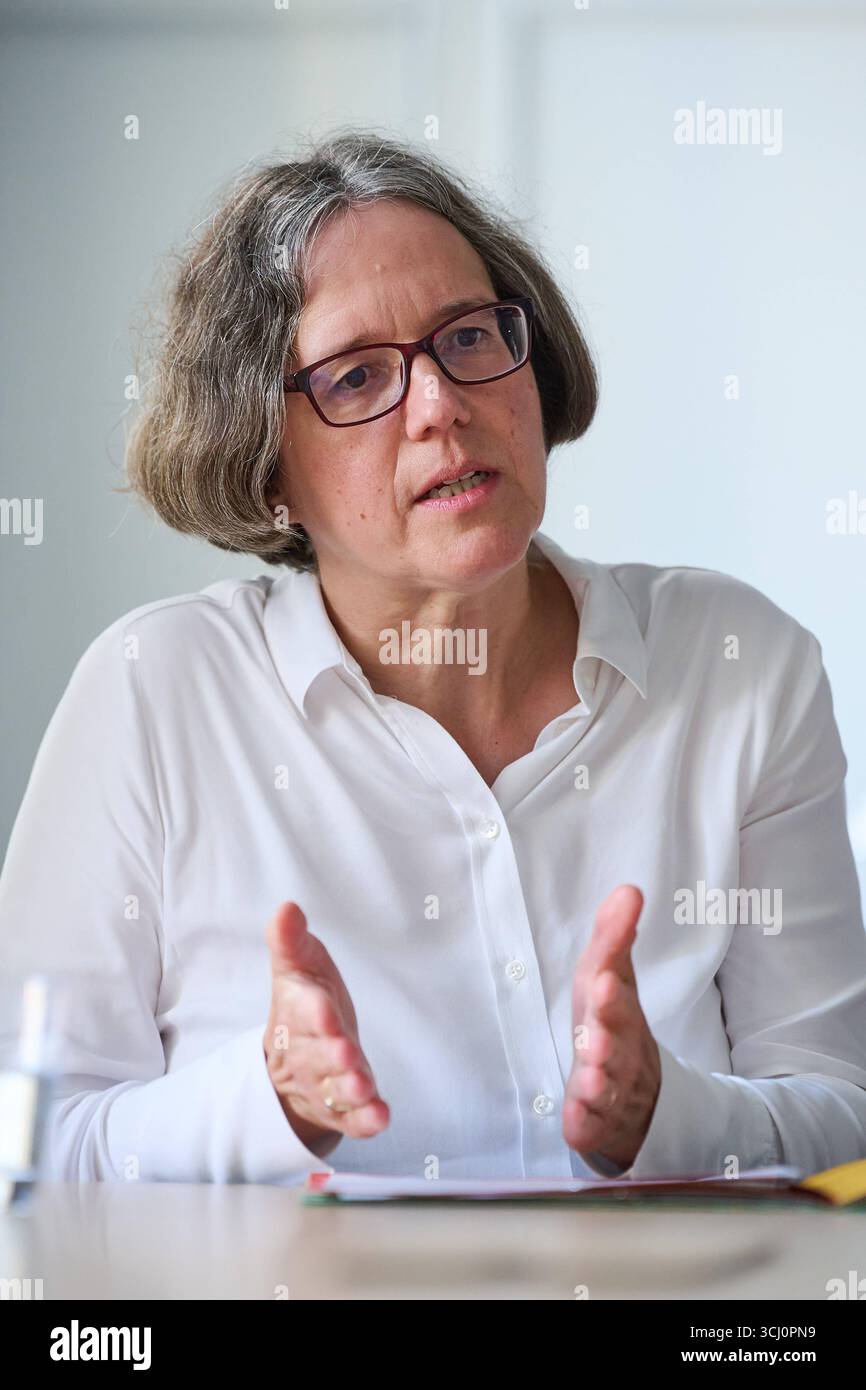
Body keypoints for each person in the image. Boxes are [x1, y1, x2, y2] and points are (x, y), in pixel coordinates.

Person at [1, 128, 865, 1186]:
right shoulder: (153, 694)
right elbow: (26, 1147)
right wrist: (264, 1099)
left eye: (467, 338)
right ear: (264, 461)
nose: (440, 404)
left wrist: (667, 1115)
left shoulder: (739, 664)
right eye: (358, 375)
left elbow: (840, 1113)